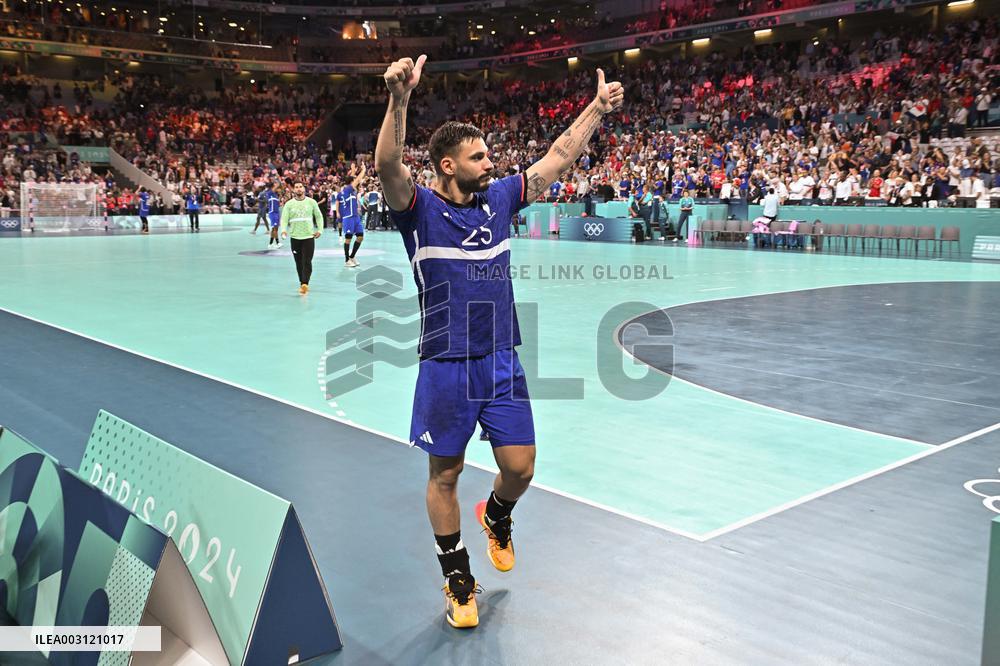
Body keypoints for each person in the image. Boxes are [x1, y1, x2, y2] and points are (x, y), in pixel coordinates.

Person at [375, 53, 623, 629]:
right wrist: (399, 99)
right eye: (478, 157)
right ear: (447, 164)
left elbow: (558, 156)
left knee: (521, 467)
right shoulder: (420, 211)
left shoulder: (500, 200)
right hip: (445, 363)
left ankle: (499, 515)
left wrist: (596, 108)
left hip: (501, 359)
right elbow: (388, 162)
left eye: (490, 155)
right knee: (446, 474)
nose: (492, 163)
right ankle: (457, 575)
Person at [279, 182, 323, 295]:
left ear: (304, 189)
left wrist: (320, 230)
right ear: (293, 190)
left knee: (307, 261)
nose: (298, 189)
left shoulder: (311, 202)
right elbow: (284, 219)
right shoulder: (288, 204)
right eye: (296, 187)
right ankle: (301, 282)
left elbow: (319, 216)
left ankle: (305, 283)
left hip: (308, 237)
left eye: (300, 187)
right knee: (298, 262)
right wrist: (283, 230)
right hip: (295, 237)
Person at [337, 164, 367, 267]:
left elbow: (353, 179)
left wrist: (353, 170)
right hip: (348, 218)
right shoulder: (347, 189)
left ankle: (352, 256)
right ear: (351, 183)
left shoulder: (351, 191)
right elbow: (357, 179)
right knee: (348, 238)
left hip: (356, 217)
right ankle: (346, 260)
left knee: (360, 237)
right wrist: (363, 169)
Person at [266, 184, 282, 249]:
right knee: (275, 229)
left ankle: (270, 244)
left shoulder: (276, 196)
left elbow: (278, 205)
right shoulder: (270, 193)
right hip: (272, 213)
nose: (280, 190)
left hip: (277, 213)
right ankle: (278, 243)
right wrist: (278, 181)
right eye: (279, 189)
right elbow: (275, 187)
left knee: (275, 229)